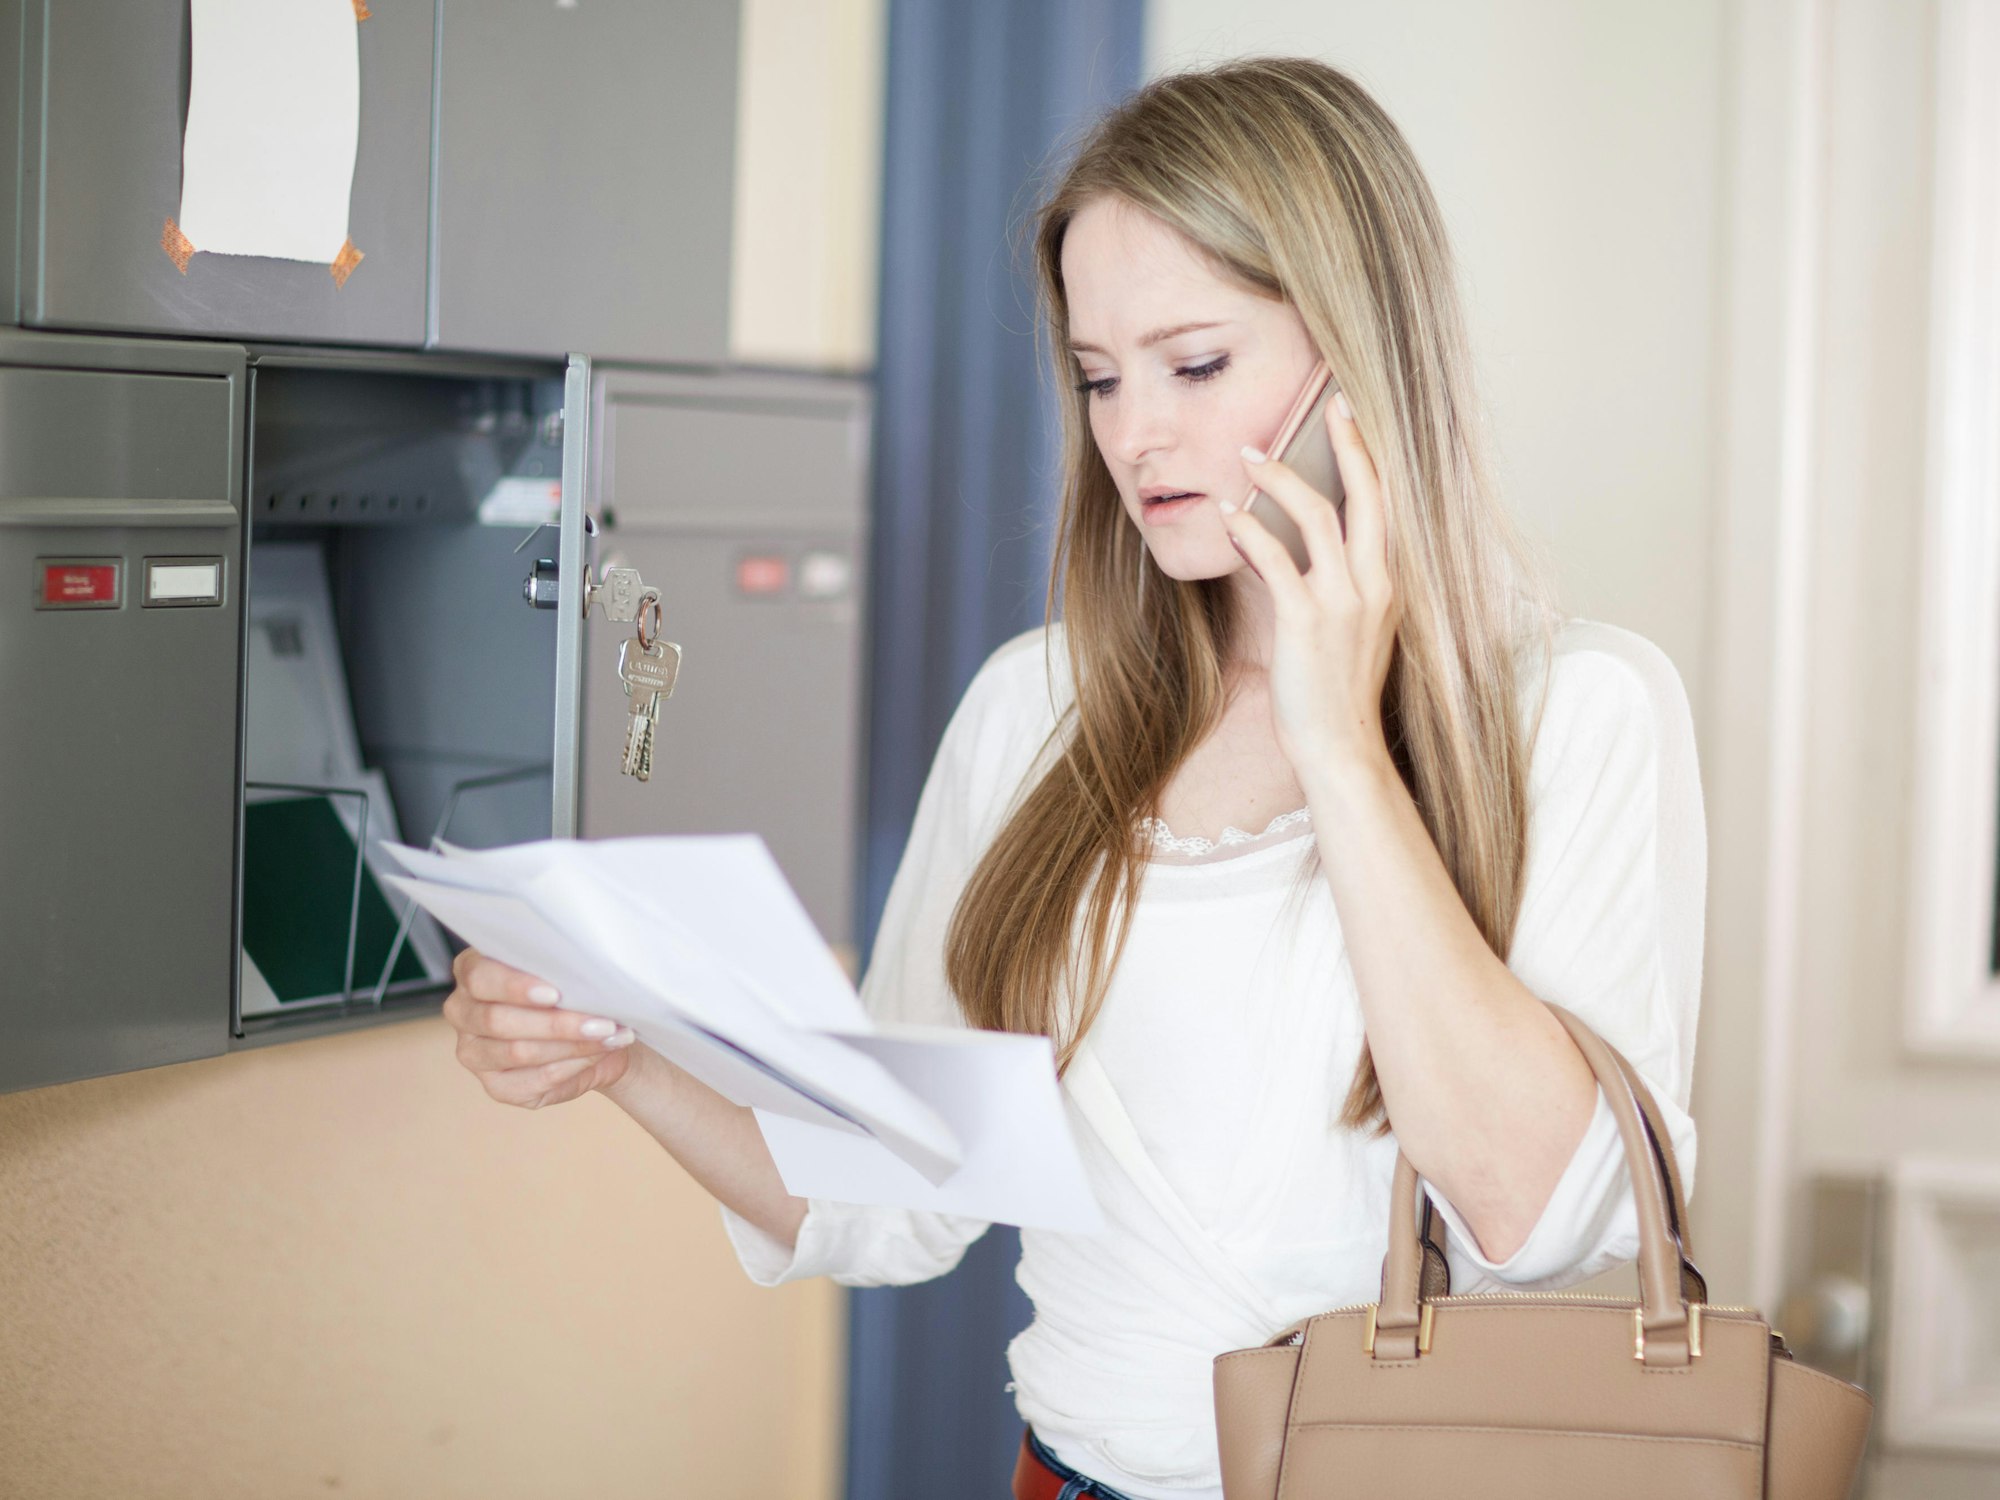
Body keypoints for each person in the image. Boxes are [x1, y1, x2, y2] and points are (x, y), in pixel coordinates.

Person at [440, 56, 1705, 1500]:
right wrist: (618, 1058)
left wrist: (1341, 743)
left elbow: (1534, 1219)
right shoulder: (1033, 711)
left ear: (1361, 360)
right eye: (1100, 376)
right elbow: (892, 1191)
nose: (1132, 433)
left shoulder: (1576, 714)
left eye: (1196, 364)